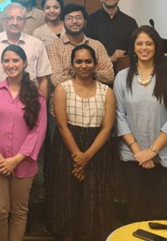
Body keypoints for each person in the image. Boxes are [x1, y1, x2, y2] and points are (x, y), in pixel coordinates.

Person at [113, 25, 167, 223]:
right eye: (139, 43)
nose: (144, 48)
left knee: (160, 215)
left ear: (156, 47)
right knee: (135, 213)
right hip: (133, 157)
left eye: (149, 43)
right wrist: (139, 151)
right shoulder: (122, 78)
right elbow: (119, 116)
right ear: (133, 47)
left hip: (165, 158)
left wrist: (152, 151)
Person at [0, 45, 47, 241]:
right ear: (1, 64)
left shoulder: (37, 95)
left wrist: (15, 160)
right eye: (6, 61)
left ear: (24, 63)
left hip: (24, 163)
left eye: (15, 60)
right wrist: (0, 159)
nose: (11, 64)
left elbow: (38, 131)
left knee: (19, 211)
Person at [47, 44, 115, 241]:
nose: (83, 65)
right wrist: (78, 156)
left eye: (88, 61)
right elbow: (62, 126)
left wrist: (86, 157)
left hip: (97, 151)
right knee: (68, 201)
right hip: (67, 149)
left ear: (95, 65)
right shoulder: (62, 89)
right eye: (78, 62)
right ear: (72, 65)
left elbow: (107, 128)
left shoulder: (107, 92)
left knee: (94, 201)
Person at [0, 3, 51, 95]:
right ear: (3, 20)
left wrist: (41, 103)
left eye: (19, 18)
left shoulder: (37, 45)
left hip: (28, 99)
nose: (15, 23)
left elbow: (43, 79)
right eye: (10, 18)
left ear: (25, 21)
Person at [48, 3, 114, 88]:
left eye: (79, 17)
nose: (74, 21)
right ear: (63, 22)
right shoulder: (54, 47)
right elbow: (56, 80)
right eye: (69, 18)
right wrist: (93, 70)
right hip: (65, 95)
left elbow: (109, 76)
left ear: (85, 21)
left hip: (94, 94)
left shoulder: (97, 45)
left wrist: (70, 73)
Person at [86, 0, 138, 65]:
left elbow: (134, 49)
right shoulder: (90, 21)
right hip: (97, 69)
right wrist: (110, 59)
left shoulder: (130, 22)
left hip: (124, 68)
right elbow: (87, 50)